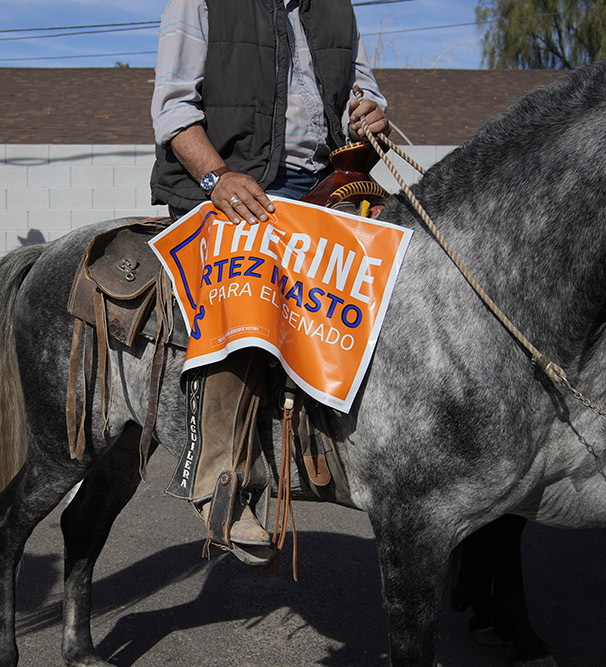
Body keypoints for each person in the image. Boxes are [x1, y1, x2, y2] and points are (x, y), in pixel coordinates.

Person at [149, 0, 390, 562]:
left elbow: (363, 90)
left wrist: (370, 112)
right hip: (232, 183)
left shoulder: (335, 8)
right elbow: (173, 108)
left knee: (402, 260)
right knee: (251, 279)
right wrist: (218, 176)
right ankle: (221, 485)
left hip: (330, 182)